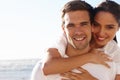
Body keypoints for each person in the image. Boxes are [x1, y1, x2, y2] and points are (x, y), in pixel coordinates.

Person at [31, 0, 120, 80]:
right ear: (63, 29)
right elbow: (47, 67)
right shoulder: (61, 42)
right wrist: (90, 56)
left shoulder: (111, 62)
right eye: (71, 26)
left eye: (83, 24)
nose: (101, 33)